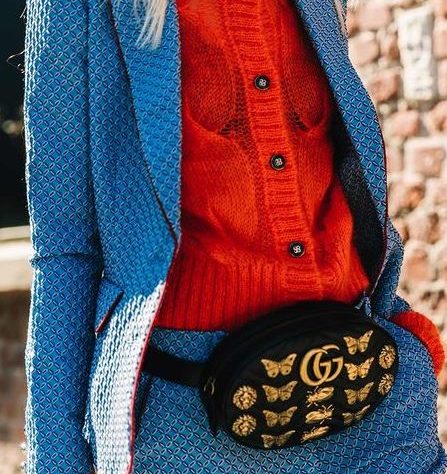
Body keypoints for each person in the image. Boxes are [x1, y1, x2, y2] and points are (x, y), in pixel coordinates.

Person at [22, 0, 446, 472]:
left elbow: (343, 177)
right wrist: (56, 460)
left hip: (368, 395)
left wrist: (402, 334)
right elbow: (65, 248)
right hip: (192, 424)